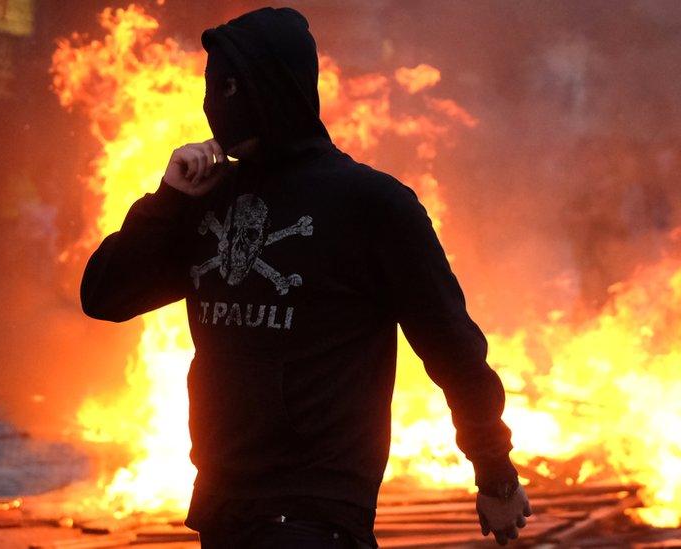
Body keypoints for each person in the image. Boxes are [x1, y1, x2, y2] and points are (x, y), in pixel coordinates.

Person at [80, 7, 530, 549]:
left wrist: (495, 471)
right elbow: (104, 295)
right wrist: (168, 199)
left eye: (229, 85)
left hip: (318, 519)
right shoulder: (207, 197)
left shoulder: (371, 205)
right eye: (211, 85)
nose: (214, 102)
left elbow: (451, 347)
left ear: (274, 86)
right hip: (223, 515)